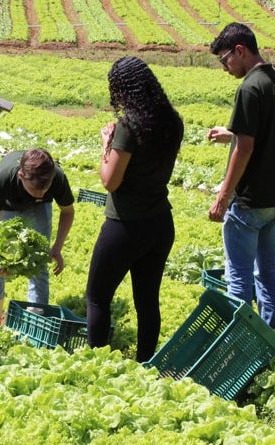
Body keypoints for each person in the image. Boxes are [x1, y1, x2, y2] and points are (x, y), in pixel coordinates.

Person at [86, 57, 183, 363]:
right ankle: (146, 363)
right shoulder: (172, 121)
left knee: (97, 297)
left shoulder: (130, 126)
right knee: (147, 300)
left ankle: (98, 365)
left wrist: (106, 144)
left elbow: (110, 181)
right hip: (160, 223)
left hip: (126, 226)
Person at [206, 23, 275, 329]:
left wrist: (223, 197)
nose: (225, 67)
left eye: (225, 59)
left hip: (250, 199)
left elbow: (244, 147)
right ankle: (269, 332)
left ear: (240, 50)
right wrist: (230, 135)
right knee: (269, 269)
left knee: (239, 275)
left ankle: (238, 337)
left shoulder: (249, 88)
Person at [0, 148, 75, 327]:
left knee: (40, 262)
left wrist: (57, 247)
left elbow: (68, 212)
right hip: (7, 207)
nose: (40, 193)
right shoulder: (0, 180)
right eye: (35, 189)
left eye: (45, 188)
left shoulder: (56, 177)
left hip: (40, 209)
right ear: (21, 176)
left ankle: (36, 321)